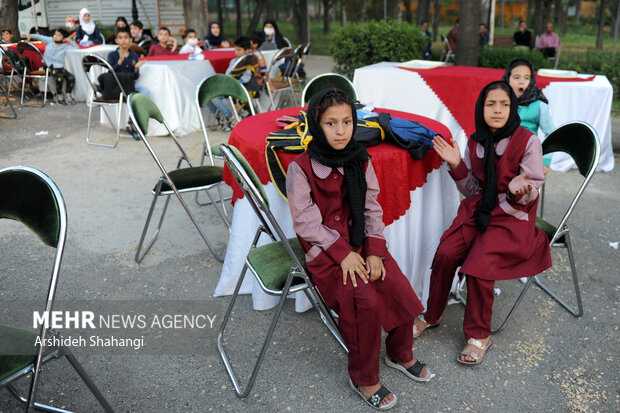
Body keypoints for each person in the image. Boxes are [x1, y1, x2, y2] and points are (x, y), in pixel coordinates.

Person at [286, 89, 433, 410]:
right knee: (362, 301)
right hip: (325, 253)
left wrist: (375, 251)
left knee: (395, 284)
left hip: (362, 243)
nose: (341, 131)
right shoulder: (300, 168)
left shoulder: (361, 160)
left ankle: (399, 353)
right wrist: (342, 254)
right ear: (315, 125)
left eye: (347, 122)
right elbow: (306, 223)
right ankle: (364, 377)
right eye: (330, 123)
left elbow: (371, 209)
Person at [413, 81, 551, 365]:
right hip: (479, 212)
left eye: (504, 104)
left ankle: (479, 334)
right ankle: (433, 313)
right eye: (491, 104)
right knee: (446, 252)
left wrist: (521, 189)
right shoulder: (475, 141)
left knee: (478, 266)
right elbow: (472, 189)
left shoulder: (528, 141)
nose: (498, 110)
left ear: (513, 108)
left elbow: (532, 187)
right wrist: (456, 165)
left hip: (512, 218)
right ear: (481, 108)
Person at [502, 58, 555, 172]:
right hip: (502, 156)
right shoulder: (501, 101)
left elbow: (551, 134)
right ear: (508, 79)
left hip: (528, 157)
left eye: (527, 78)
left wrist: (545, 162)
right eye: (516, 77)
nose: (522, 82)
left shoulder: (539, 105)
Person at [107, 27, 146, 138]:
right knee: (133, 96)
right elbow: (110, 73)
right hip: (118, 85)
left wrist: (136, 69)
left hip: (130, 84)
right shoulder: (112, 55)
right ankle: (133, 125)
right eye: (120, 38)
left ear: (130, 39)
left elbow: (135, 77)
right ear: (116, 41)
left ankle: (132, 121)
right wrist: (119, 62)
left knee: (145, 92)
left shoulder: (133, 55)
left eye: (126, 37)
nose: (123, 40)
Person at [27, 29, 78, 105]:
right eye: (55, 34)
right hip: (49, 67)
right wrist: (31, 36)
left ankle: (68, 95)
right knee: (59, 78)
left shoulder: (65, 46)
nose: (56, 36)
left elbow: (77, 48)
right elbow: (40, 37)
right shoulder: (50, 41)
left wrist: (69, 40)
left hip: (59, 67)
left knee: (71, 77)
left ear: (63, 38)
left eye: (59, 35)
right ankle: (59, 95)